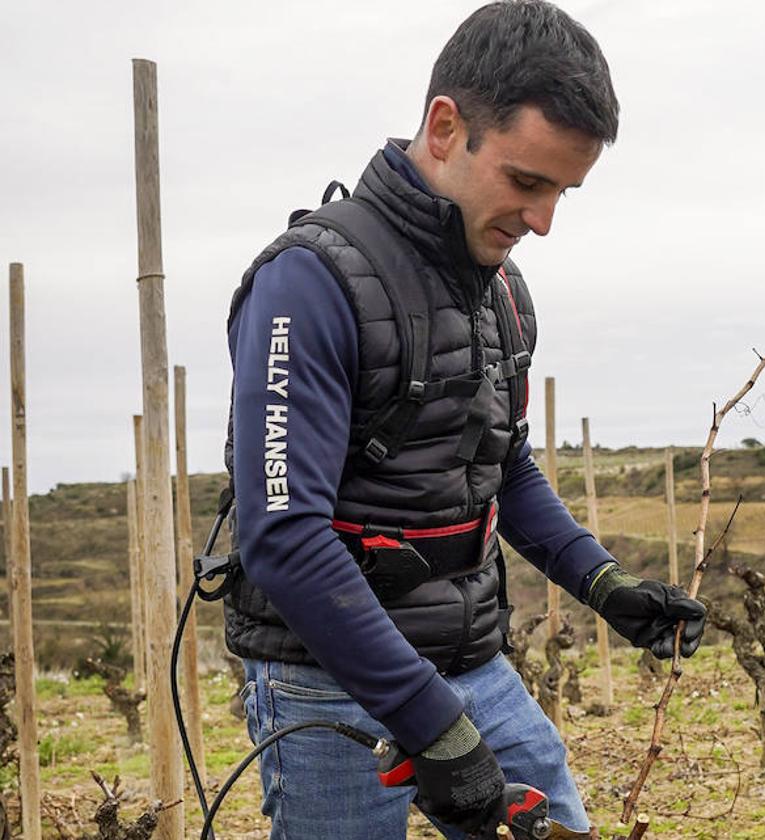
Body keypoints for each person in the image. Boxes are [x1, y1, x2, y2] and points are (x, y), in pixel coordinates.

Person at [223, 2, 707, 837]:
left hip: (471, 660)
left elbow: (502, 465)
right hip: (326, 674)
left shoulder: (502, 292)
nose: (545, 220)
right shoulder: (308, 284)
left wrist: (606, 585)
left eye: (563, 190)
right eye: (527, 181)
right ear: (445, 128)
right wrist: (430, 722)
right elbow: (282, 537)